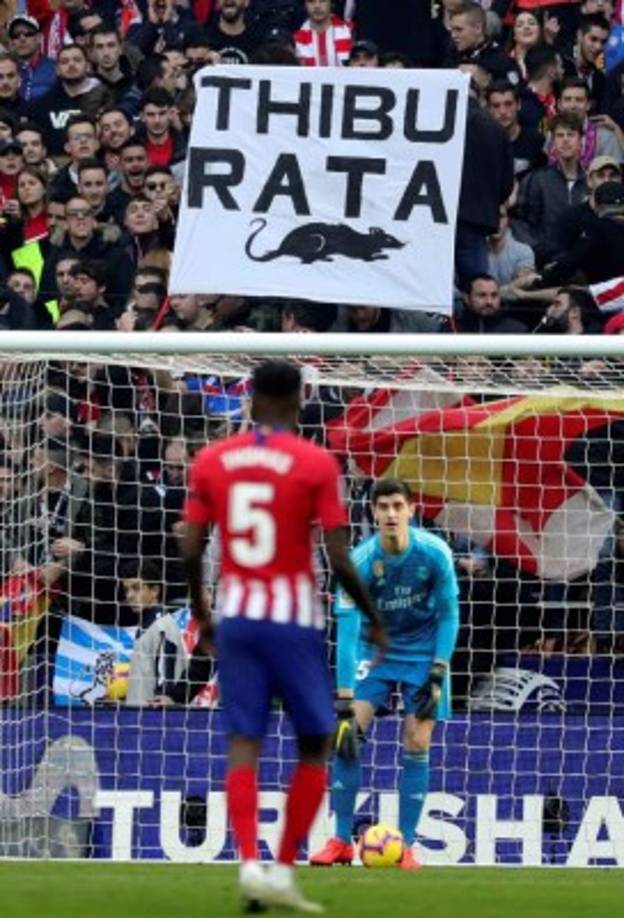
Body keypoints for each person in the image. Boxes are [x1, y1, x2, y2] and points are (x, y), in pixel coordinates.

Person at [182, 359, 386, 912]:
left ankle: (250, 862)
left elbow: (191, 545)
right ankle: (282, 870)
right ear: (299, 400)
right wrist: (373, 616)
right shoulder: (316, 462)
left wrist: (202, 612)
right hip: (294, 619)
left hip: (237, 616)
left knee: (244, 742)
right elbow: (339, 557)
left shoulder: (213, 459)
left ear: (250, 399)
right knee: (315, 742)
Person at [310, 479, 459, 869]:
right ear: (373, 513)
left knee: (418, 740)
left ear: (411, 510)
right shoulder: (358, 563)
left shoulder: (435, 553)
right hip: (372, 649)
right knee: (346, 737)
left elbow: (449, 616)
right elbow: (345, 635)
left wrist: (438, 673)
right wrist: (344, 700)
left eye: (397, 506)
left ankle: (405, 846)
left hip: (424, 650)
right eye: (383, 507)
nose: (391, 513)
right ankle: (341, 841)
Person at [122, 558, 188, 706]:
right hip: (138, 716)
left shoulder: (162, 627)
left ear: (155, 591)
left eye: (136, 588)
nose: (129, 596)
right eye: (126, 589)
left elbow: (165, 691)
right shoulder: (147, 625)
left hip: (153, 719)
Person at [294, 0, 353, 67]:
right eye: (311, 1)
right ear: (305, 5)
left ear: (331, 3)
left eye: (323, 1)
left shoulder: (349, 32)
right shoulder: (296, 40)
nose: (317, 6)